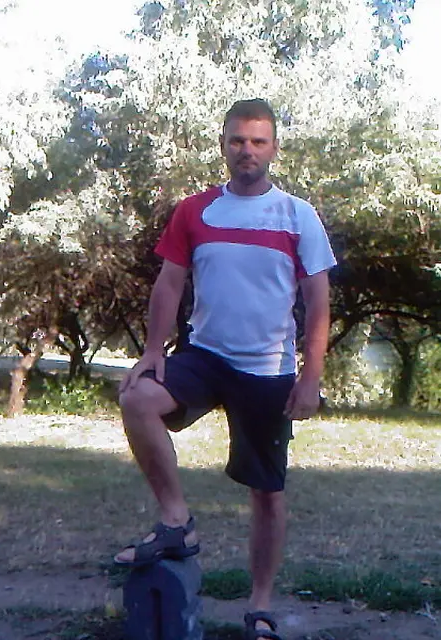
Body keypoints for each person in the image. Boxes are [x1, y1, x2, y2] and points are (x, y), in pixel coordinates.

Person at [115, 98, 336, 640]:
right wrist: (153, 349)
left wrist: (311, 376)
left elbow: (318, 301)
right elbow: (169, 283)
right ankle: (176, 522)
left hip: (267, 369)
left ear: (274, 148)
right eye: (237, 140)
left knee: (267, 493)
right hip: (205, 356)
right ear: (223, 145)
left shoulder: (297, 215)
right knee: (137, 399)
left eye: (258, 141)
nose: (247, 151)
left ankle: (259, 606)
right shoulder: (196, 210)